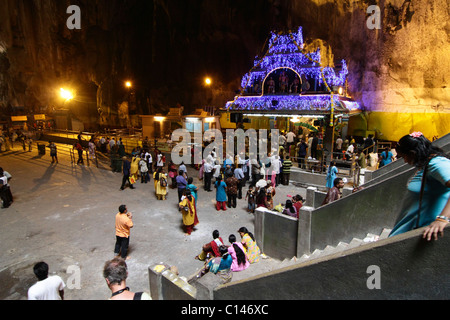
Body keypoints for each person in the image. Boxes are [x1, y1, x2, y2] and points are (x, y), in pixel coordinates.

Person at [388, 132, 450, 240]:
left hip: (419, 234)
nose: (405, 161)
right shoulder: (427, 164)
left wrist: (442, 219)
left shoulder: (436, 163)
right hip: (408, 230)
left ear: (412, 154)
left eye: (404, 157)